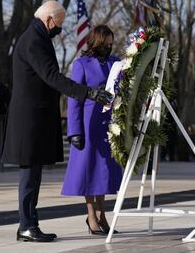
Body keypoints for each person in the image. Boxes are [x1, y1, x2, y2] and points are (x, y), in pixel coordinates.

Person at [1, 1, 113, 242]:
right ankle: (26, 225)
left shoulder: (38, 38)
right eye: (59, 24)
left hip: (35, 117)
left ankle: (29, 223)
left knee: (34, 175)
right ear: (49, 20)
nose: (59, 29)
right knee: (29, 176)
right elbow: (51, 76)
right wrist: (88, 92)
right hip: (29, 119)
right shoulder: (34, 41)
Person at [61, 25, 122, 235]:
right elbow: (74, 99)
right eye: (106, 43)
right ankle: (90, 215)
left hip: (109, 124)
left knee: (103, 173)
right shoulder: (82, 64)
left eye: (111, 44)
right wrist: (74, 130)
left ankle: (102, 214)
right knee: (89, 171)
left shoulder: (116, 63)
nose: (109, 47)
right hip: (88, 123)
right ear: (97, 41)